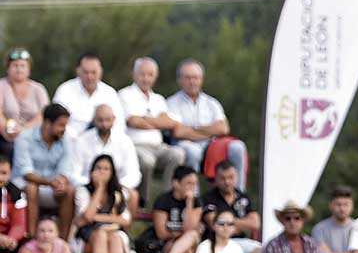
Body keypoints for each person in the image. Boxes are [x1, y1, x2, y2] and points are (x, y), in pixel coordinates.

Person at [165, 59, 248, 189]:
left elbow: (223, 128)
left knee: (238, 147)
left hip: (212, 146)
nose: (192, 81)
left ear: (201, 79)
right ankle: (194, 199)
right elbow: (178, 132)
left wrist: (192, 130)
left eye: (195, 78)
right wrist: (209, 131)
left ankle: (238, 195)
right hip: (186, 146)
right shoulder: (171, 103)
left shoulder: (211, 103)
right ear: (179, 80)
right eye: (187, 78)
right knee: (192, 151)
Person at [119, 57, 185, 198]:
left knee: (178, 154)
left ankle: (167, 199)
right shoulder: (125, 95)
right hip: (135, 145)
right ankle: (143, 200)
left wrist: (144, 120)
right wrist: (157, 122)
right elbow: (133, 121)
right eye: (142, 74)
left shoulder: (159, 99)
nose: (146, 78)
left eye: (150, 75)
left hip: (158, 146)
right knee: (147, 161)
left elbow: (170, 123)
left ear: (155, 77)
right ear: (134, 74)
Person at [12, 103, 75, 236]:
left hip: (51, 187)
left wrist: (60, 182)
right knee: (32, 187)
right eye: (61, 125)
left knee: (69, 191)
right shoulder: (25, 138)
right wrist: (50, 182)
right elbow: (26, 173)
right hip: (24, 185)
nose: (64, 129)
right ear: (47, 123)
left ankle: (63, 241)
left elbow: (65, 168)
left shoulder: (65, 139)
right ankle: (31, 237)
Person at [72, 154, 131, 253]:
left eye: (106, 169)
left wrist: (97, 217)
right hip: (87, 238)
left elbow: (126, 219)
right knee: (100, 235)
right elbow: (87, 216)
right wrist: (100, 188)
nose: (102, 172)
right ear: (92, 171)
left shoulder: (120, 193)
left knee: (115, 237)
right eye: (98, 168)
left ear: (112, 172)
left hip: (113, 235)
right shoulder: (83, 191)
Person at [70, 104, 141, 197]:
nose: (104, 124)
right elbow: (74, 173)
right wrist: (94, 184)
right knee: (70, 192)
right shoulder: (82, 140)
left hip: (117, 189)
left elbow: (134, 174)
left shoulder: (125, 141)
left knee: (133, 195)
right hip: (87, 189)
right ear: (94, 120)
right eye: (100, 120)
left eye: (108, 120)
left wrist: (114, 186)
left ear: (114, 119)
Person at [142, 166, 202, 253]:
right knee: (187, 251)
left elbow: (190, 229)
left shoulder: (196, 202)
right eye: (189, 183)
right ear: (176, 183)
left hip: (189, 243)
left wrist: (189, 203)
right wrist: (178, 237)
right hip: (167, 244)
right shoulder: (163, 200)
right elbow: (161, 233)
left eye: (194, 184)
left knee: (192, 237)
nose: (192, 187)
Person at [51, 53, 124, 139]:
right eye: (86, 72)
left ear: (100, 72)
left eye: (94, 72)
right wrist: (80, 140)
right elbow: (57, 121)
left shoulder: (110, 93)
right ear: (78, 71)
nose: (90, 77)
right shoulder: (64, 90)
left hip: (103, 142)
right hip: (71, 142)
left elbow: (119, 124)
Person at [200, 160, 261, 253]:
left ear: (237, 177)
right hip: (216, 243)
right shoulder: (208, 198)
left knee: (263, 252)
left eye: (230, 177)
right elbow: (213, 224)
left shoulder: (243, 197)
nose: (227, 182)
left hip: (240, 243)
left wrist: (226, 223)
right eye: (222, 178)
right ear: (216, 178)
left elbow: (255, 224)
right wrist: (242, 224)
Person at [0, 47, 49, 158]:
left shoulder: (38, 89)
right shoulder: (1, 86)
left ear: (29, 69)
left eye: (23, 66)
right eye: (15, 65)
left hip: (33, 136)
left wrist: (24, 129)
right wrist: (7, 129)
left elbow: (43, 114)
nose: (19, 69)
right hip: (6, 136)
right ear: (8, 68)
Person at [0, 155, 28, 251]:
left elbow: (19, 224)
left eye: (4, 173)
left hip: (7, 238)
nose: (0, 177)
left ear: (10, 173)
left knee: (29, 245)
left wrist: (12, 239)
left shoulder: (17, 194)